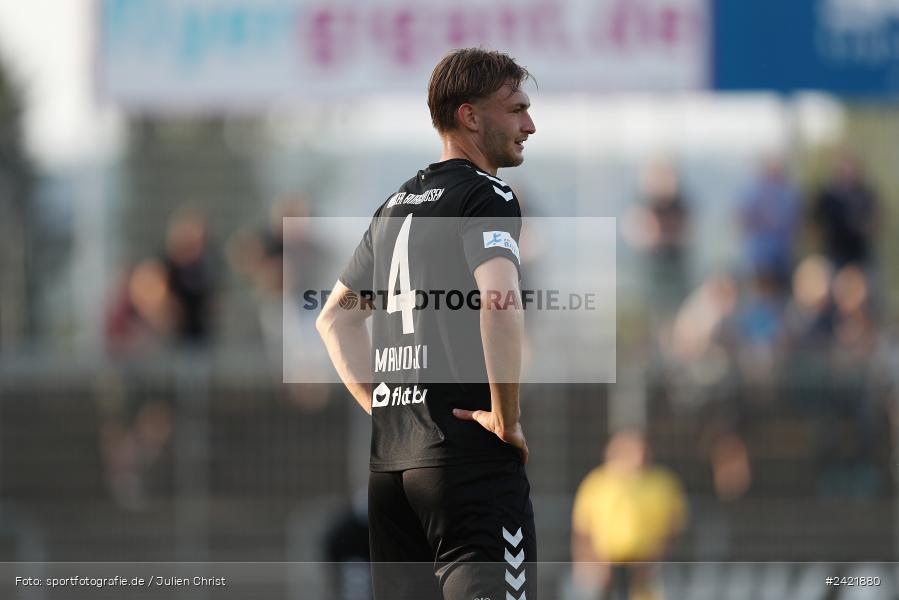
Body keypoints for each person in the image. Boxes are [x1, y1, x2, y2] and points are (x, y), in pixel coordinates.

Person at [316, 48, 537, 600]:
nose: (529, 125)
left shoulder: (395, 205)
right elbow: (501, 302)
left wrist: (387, 404)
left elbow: (334, 321)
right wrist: (506, 418)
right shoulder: (486, 194)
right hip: (465, 460)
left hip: (391, 469)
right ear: (469, 116)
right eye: (516, 110)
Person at [571, 430, 687, 600]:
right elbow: (582, 532)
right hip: (606, 567)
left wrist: (657, 560)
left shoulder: (663, 483)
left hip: (649, 567)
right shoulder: (595, 483)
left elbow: (676, 529)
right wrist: (591, 564)